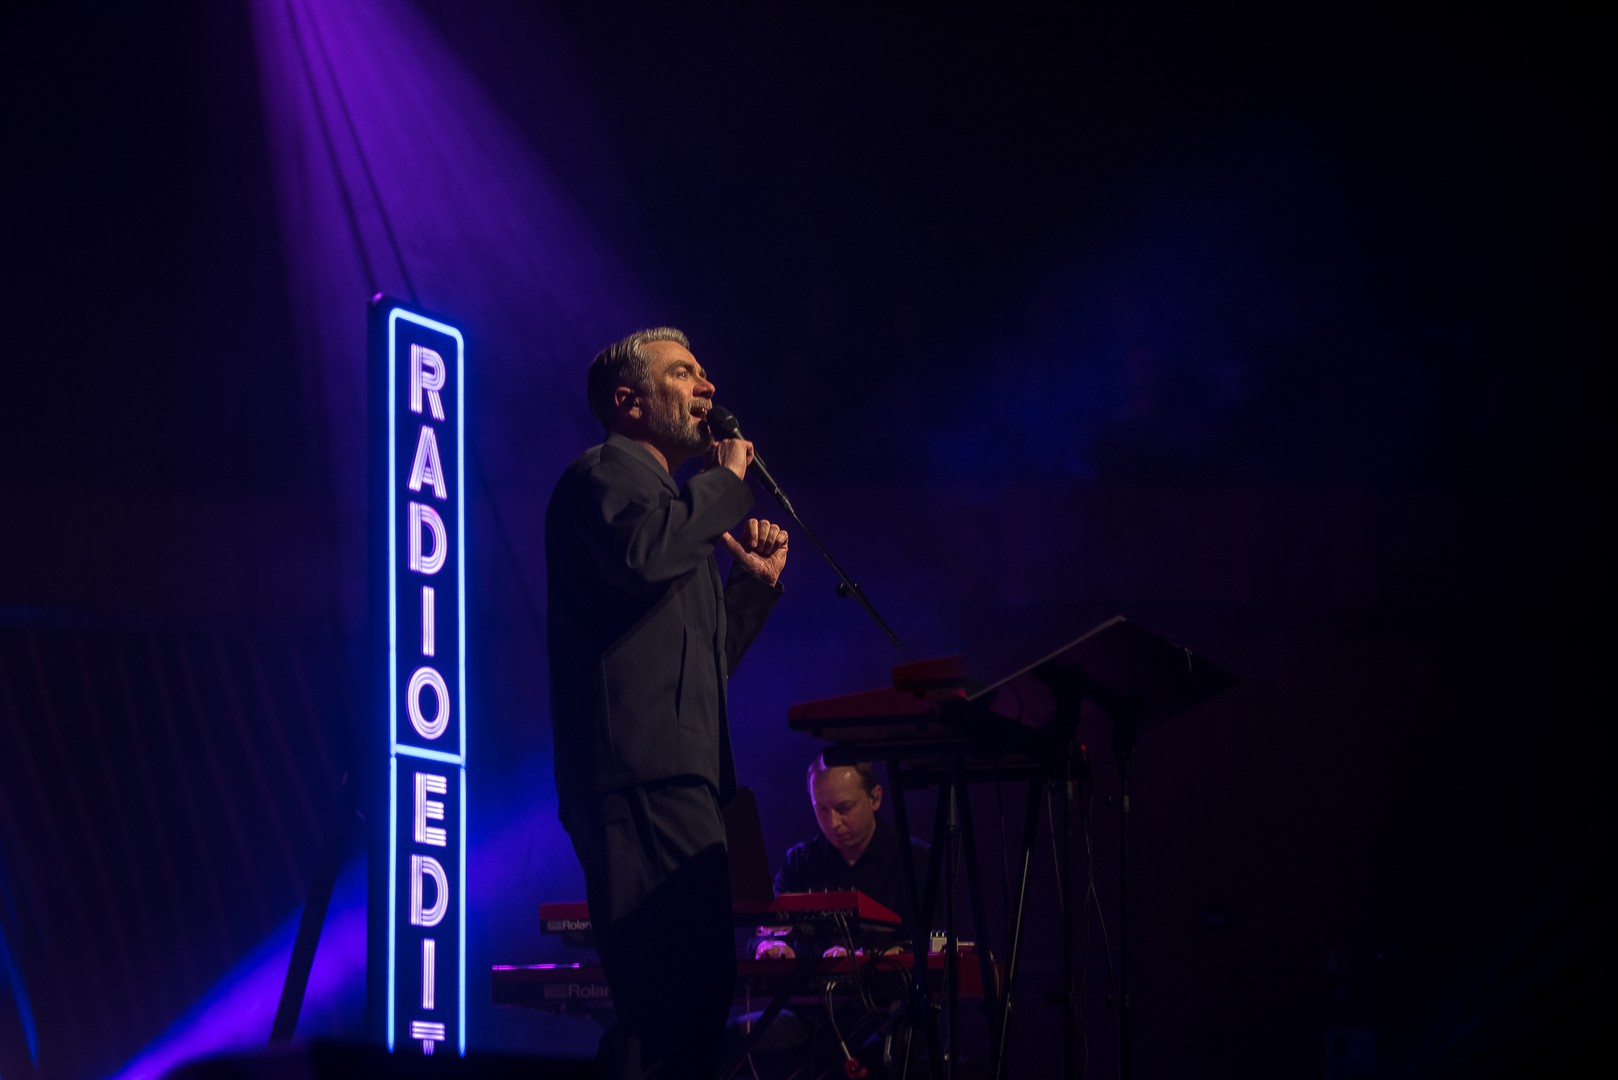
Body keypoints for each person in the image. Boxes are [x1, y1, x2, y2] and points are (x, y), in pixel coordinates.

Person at [546, 327, 789, 1080]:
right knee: (666, 1004)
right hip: (639, 776)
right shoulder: (603, 476)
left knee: (697, 999)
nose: (707, 387)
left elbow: (700, 667)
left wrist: (750, 590)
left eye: (704, 374)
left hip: (682, 778)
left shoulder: (675, 517)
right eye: (684, 374)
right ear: (630, 402)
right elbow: (641, 556)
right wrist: (723, 486)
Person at [733, 756, 930, 1079]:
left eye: (843, 808)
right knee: (736, 1038)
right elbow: (763, 930)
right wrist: (768, 946)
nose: (833, 822)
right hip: (809, 1015)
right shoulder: (801, 862)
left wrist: (867, 957)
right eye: (821, 810)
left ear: (875, 798)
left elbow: (926, 945)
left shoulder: (914, 860)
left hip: (881, 1015)